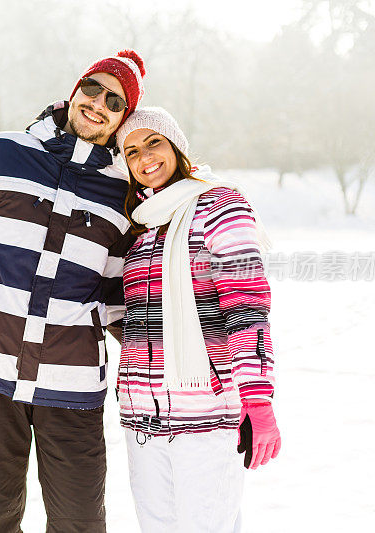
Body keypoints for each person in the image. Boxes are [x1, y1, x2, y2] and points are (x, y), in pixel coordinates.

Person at [0, 50, 146, 532]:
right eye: (93, 88)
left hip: (73, 382)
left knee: (80, 520)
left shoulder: (119, 192)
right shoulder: (1, 152)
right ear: (75, 89)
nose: (98, 103)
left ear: (123, 117)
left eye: (115, 100)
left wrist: (160, 354)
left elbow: (112, 297)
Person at [113, 107, 282, 532]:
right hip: (143, 423)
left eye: (154, 142)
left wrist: (258, 399)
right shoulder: (142, 228)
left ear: (177, 147)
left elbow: (247, 304)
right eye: (132, 151)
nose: (145, 157)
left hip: (207, 418)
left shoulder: (220, 204)